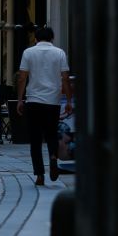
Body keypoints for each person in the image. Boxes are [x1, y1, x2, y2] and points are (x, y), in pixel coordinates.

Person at [16, 25, 73, 186]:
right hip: (52, 101)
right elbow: (65, 78)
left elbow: (22, 77)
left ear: (35, 38)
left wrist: (20, 100)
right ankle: (53, 157)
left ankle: (39, 174)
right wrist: (68, 101)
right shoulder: (59, 53)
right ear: (52, 38)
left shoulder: (28, 53)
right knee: (51, 134)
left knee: (35, 139)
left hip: (33, 100)